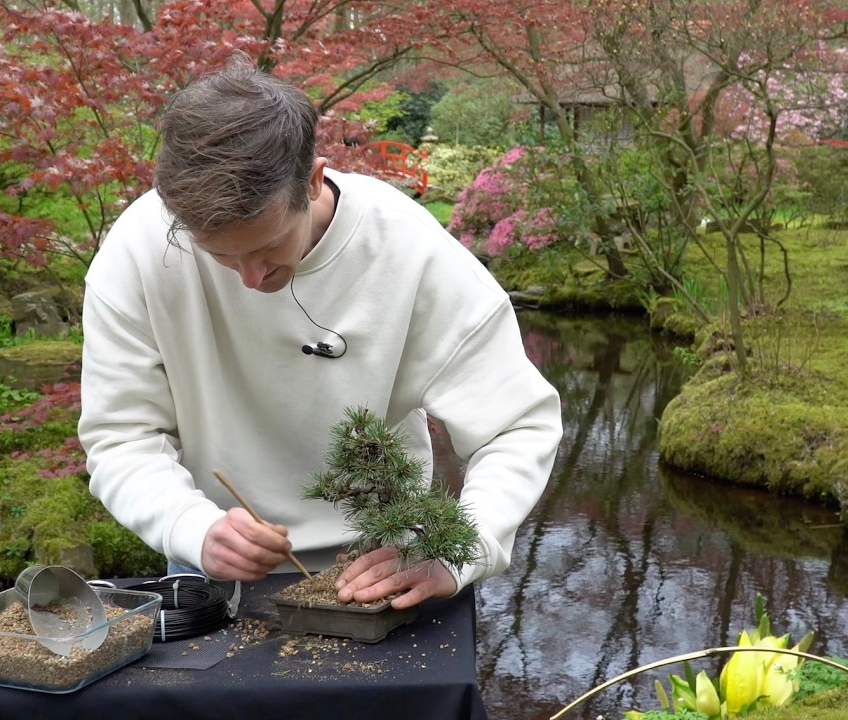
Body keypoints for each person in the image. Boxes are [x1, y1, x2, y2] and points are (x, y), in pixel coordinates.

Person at [78, 58, 562, 610]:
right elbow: (120, 437)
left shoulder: (409, 251)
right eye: (219, 257)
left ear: (311, 181)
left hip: (386, 568)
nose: (251, 280)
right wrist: (189, 527)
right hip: (209, 565)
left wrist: (457, 550)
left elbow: (517, 425)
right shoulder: (138, 253)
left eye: (268, 249)